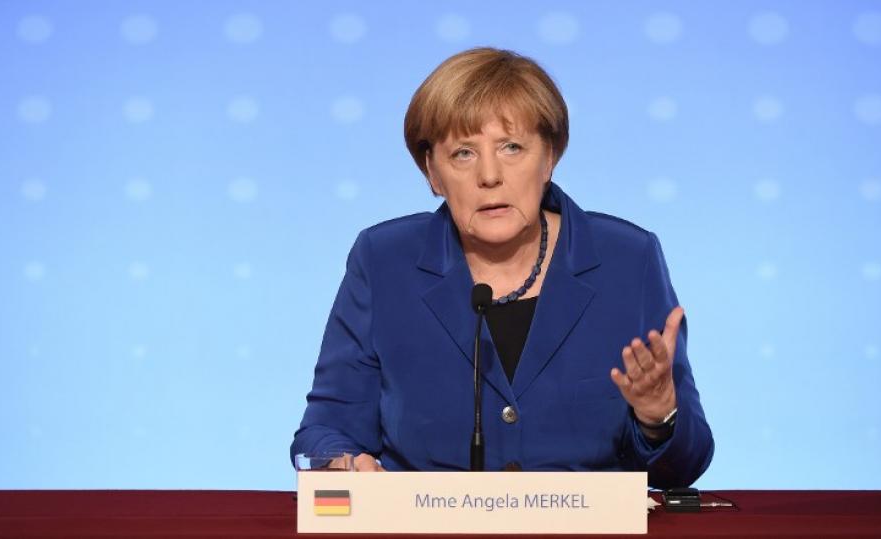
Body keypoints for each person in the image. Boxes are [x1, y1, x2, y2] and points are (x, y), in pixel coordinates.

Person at [291, 47, 713, 488]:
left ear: (549, 158)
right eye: (463, 154)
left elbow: (686, 466)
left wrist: (659, 415)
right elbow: (327, 426)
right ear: (432, 173)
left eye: (512, 148)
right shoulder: (384, 261)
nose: (489, 175)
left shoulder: (627, 260)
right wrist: (339, 463)